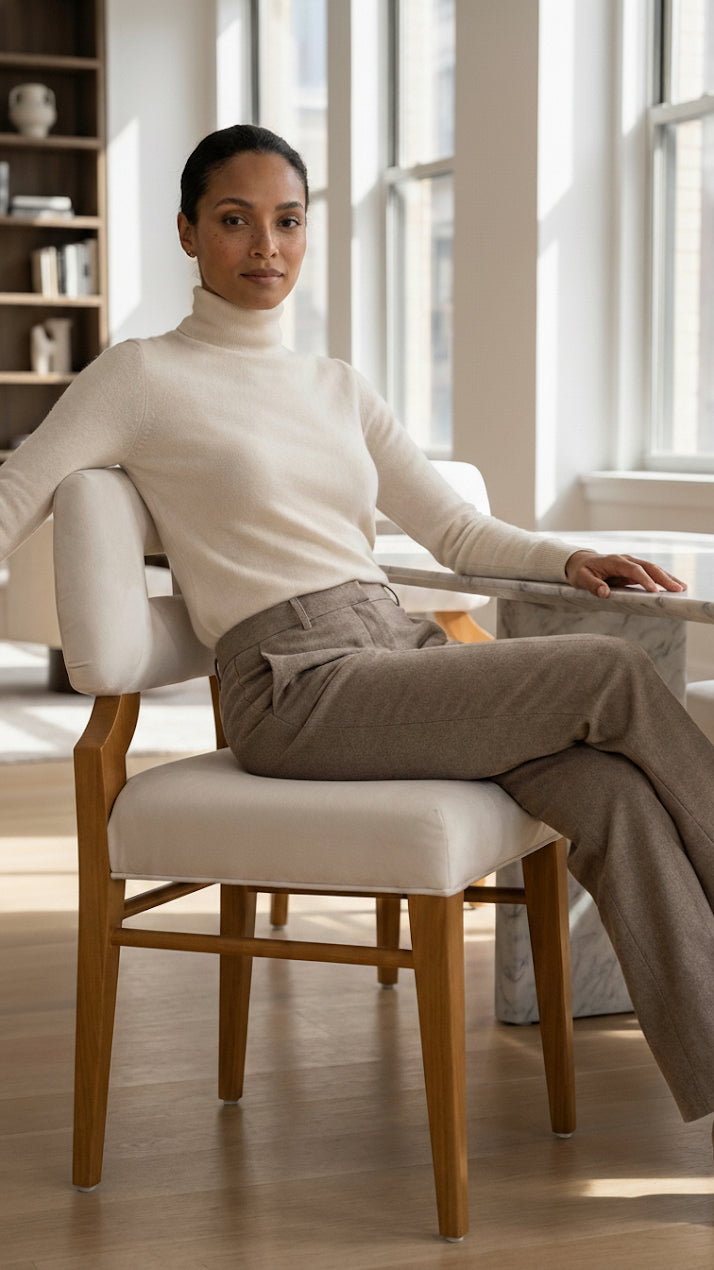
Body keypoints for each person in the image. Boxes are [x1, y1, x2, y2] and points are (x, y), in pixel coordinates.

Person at [1, 124, 713, 1140]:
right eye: (235, 221)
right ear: (188, 234)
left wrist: (567, 559)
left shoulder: (336, 385)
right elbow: (16, 493)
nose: (266, 247)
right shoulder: (142, 376)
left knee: (614, 797)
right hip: (293, 685)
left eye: (288, 221)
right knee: (611, 675)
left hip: (391, 649)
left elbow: (456, 528)